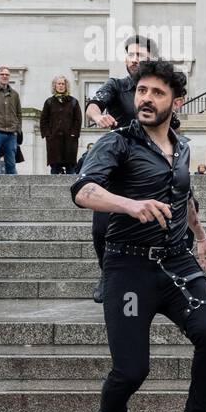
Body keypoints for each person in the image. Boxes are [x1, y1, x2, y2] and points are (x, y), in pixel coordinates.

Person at [70, 58, 206, 412]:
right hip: (128, 266)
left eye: (157, 93)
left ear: (175, 102)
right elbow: (83, 192)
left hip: (176, 263)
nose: (146, 99)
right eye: (142, 91)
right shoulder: (117, 143)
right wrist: (129, 204)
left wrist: (202, 236)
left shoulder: (183, 146)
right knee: (133, 369)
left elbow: (183, 194)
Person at [86, 35, 156, 303]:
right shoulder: (116, 85)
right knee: (100, 227)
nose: (135, 59)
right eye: (131, 54)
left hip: (150, 162)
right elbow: (94, 103)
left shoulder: (156, 88)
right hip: (117, 161)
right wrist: (97, 116)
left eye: (140, 54)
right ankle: (106, 275)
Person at [39, 76, 82, 174]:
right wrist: (47, 134)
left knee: (70, 167)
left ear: (66, 86)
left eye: (63, 84)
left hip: (70, 139)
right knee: (54, 167)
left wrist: (74, 134)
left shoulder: (73, 101)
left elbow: (78, 119)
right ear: (55, 85)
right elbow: (43, 120)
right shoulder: (49, 102)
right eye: (59, 84)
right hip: (53, 139)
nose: (61, 86)